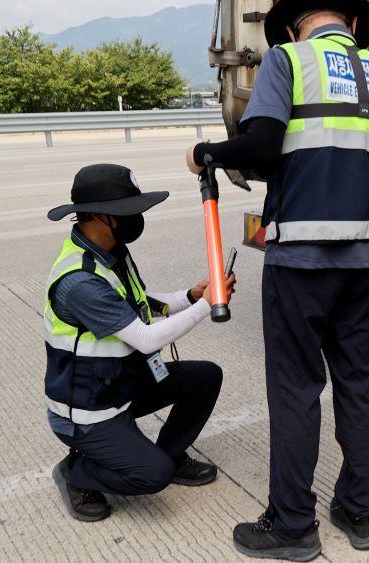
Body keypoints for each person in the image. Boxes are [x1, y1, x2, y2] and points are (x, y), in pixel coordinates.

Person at [185, 0, 369, 559]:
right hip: (365, 262)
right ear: (356, 24)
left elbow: (262, 147)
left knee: (296, 390)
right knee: (356, 382)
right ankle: (360, 513)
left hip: (301, 261)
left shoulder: (287, 60)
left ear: (293, 26)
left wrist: (204, 152)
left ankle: (293, 525)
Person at [44, 163, 236, 522]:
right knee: (153, 475)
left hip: (119, 384)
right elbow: (146, 337)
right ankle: (77, 473)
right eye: (129, 211)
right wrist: (209, 306)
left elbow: (139, 300)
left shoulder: (110, 250)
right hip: (90, 410)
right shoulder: (81, 281)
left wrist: (192, 296)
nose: (137, 218)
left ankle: (171, 452)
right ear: (102, 217)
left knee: (206, 377)